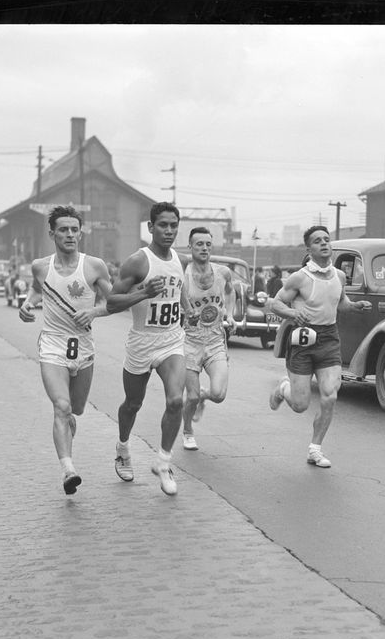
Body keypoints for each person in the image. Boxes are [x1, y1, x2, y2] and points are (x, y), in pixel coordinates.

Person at [18, 205, 112, 495]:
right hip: (53, 345)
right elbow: (37, 287)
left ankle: (68, 420)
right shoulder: (40, 266)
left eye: (74, 229)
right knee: (61, 406)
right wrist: (27, 302)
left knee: (76, 409)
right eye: (63, 230)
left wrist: (94, 312)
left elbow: (115, 302)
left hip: (83, 347)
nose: (70, 234)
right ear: (52, 234)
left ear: (80, 232)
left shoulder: (94, 266)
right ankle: (68, 470)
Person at [266, 225, 371, 468]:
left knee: (330, 395)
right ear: (309, 248)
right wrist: (293, 313)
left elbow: (340, 302)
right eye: (317, 241)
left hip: (328, 338)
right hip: (303, 340)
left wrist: (355, 306)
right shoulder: (300, 278)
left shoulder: (340, 276)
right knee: (301, 405)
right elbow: (276, 304)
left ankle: (315, 449)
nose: (324, 243)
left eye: (326, 239)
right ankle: (284, 388)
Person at [106, 202, 188, 496]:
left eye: (173, 225)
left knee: (176, 400)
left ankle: (163, 462)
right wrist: (143, 292)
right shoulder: (137, 262)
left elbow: (181, 292)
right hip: (141, 342)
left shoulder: (181, 260)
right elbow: (112, 302)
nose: (169, 231)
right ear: (151, 227)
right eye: (163, 225)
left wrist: (187, 310)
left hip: (170, 340)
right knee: (133, 404)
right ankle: (123, 447)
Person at [180, 226, 236, 450]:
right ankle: (187, 431)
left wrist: (230, 314)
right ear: (190, 247)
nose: (204, 248)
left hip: (214, 341)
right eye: (199, 244)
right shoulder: (182, 275)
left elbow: (231, 291)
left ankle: (204, 396)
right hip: (189, 342)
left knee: (219, 394)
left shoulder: (223, 272)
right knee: (190, 397)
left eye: (208, 244)